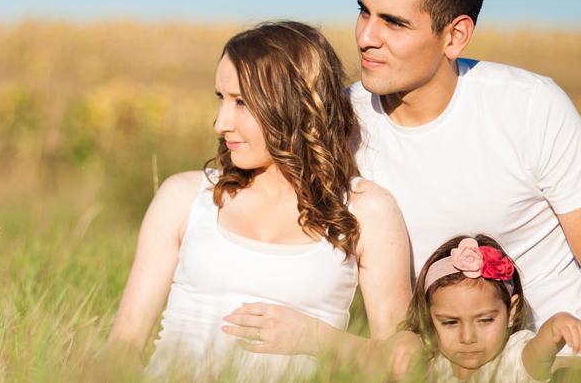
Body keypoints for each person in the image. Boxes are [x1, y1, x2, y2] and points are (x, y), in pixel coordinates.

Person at [348, 0, 581, 380]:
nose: (365, 36)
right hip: (435, 363)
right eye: (364, 11)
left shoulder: (531, 106)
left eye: (394, 23)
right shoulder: (342, 122)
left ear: (454, 35)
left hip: (558, 358)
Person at [106, 21, 411, 381]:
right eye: (221, 98)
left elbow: (404, 362)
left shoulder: (367, 209)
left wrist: (316, 339)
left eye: (241, 102)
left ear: (295, 104)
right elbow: (123, 347)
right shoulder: (184, 197)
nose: (221, 123)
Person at [384, 234, 581, 382]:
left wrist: (556, 325)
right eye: (450, 322)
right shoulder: (432, 360)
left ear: (511, 311)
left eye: (485, 320)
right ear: (429, 317)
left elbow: (538, 354)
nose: (467, 337)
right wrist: (406, 340)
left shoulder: (512, 357)